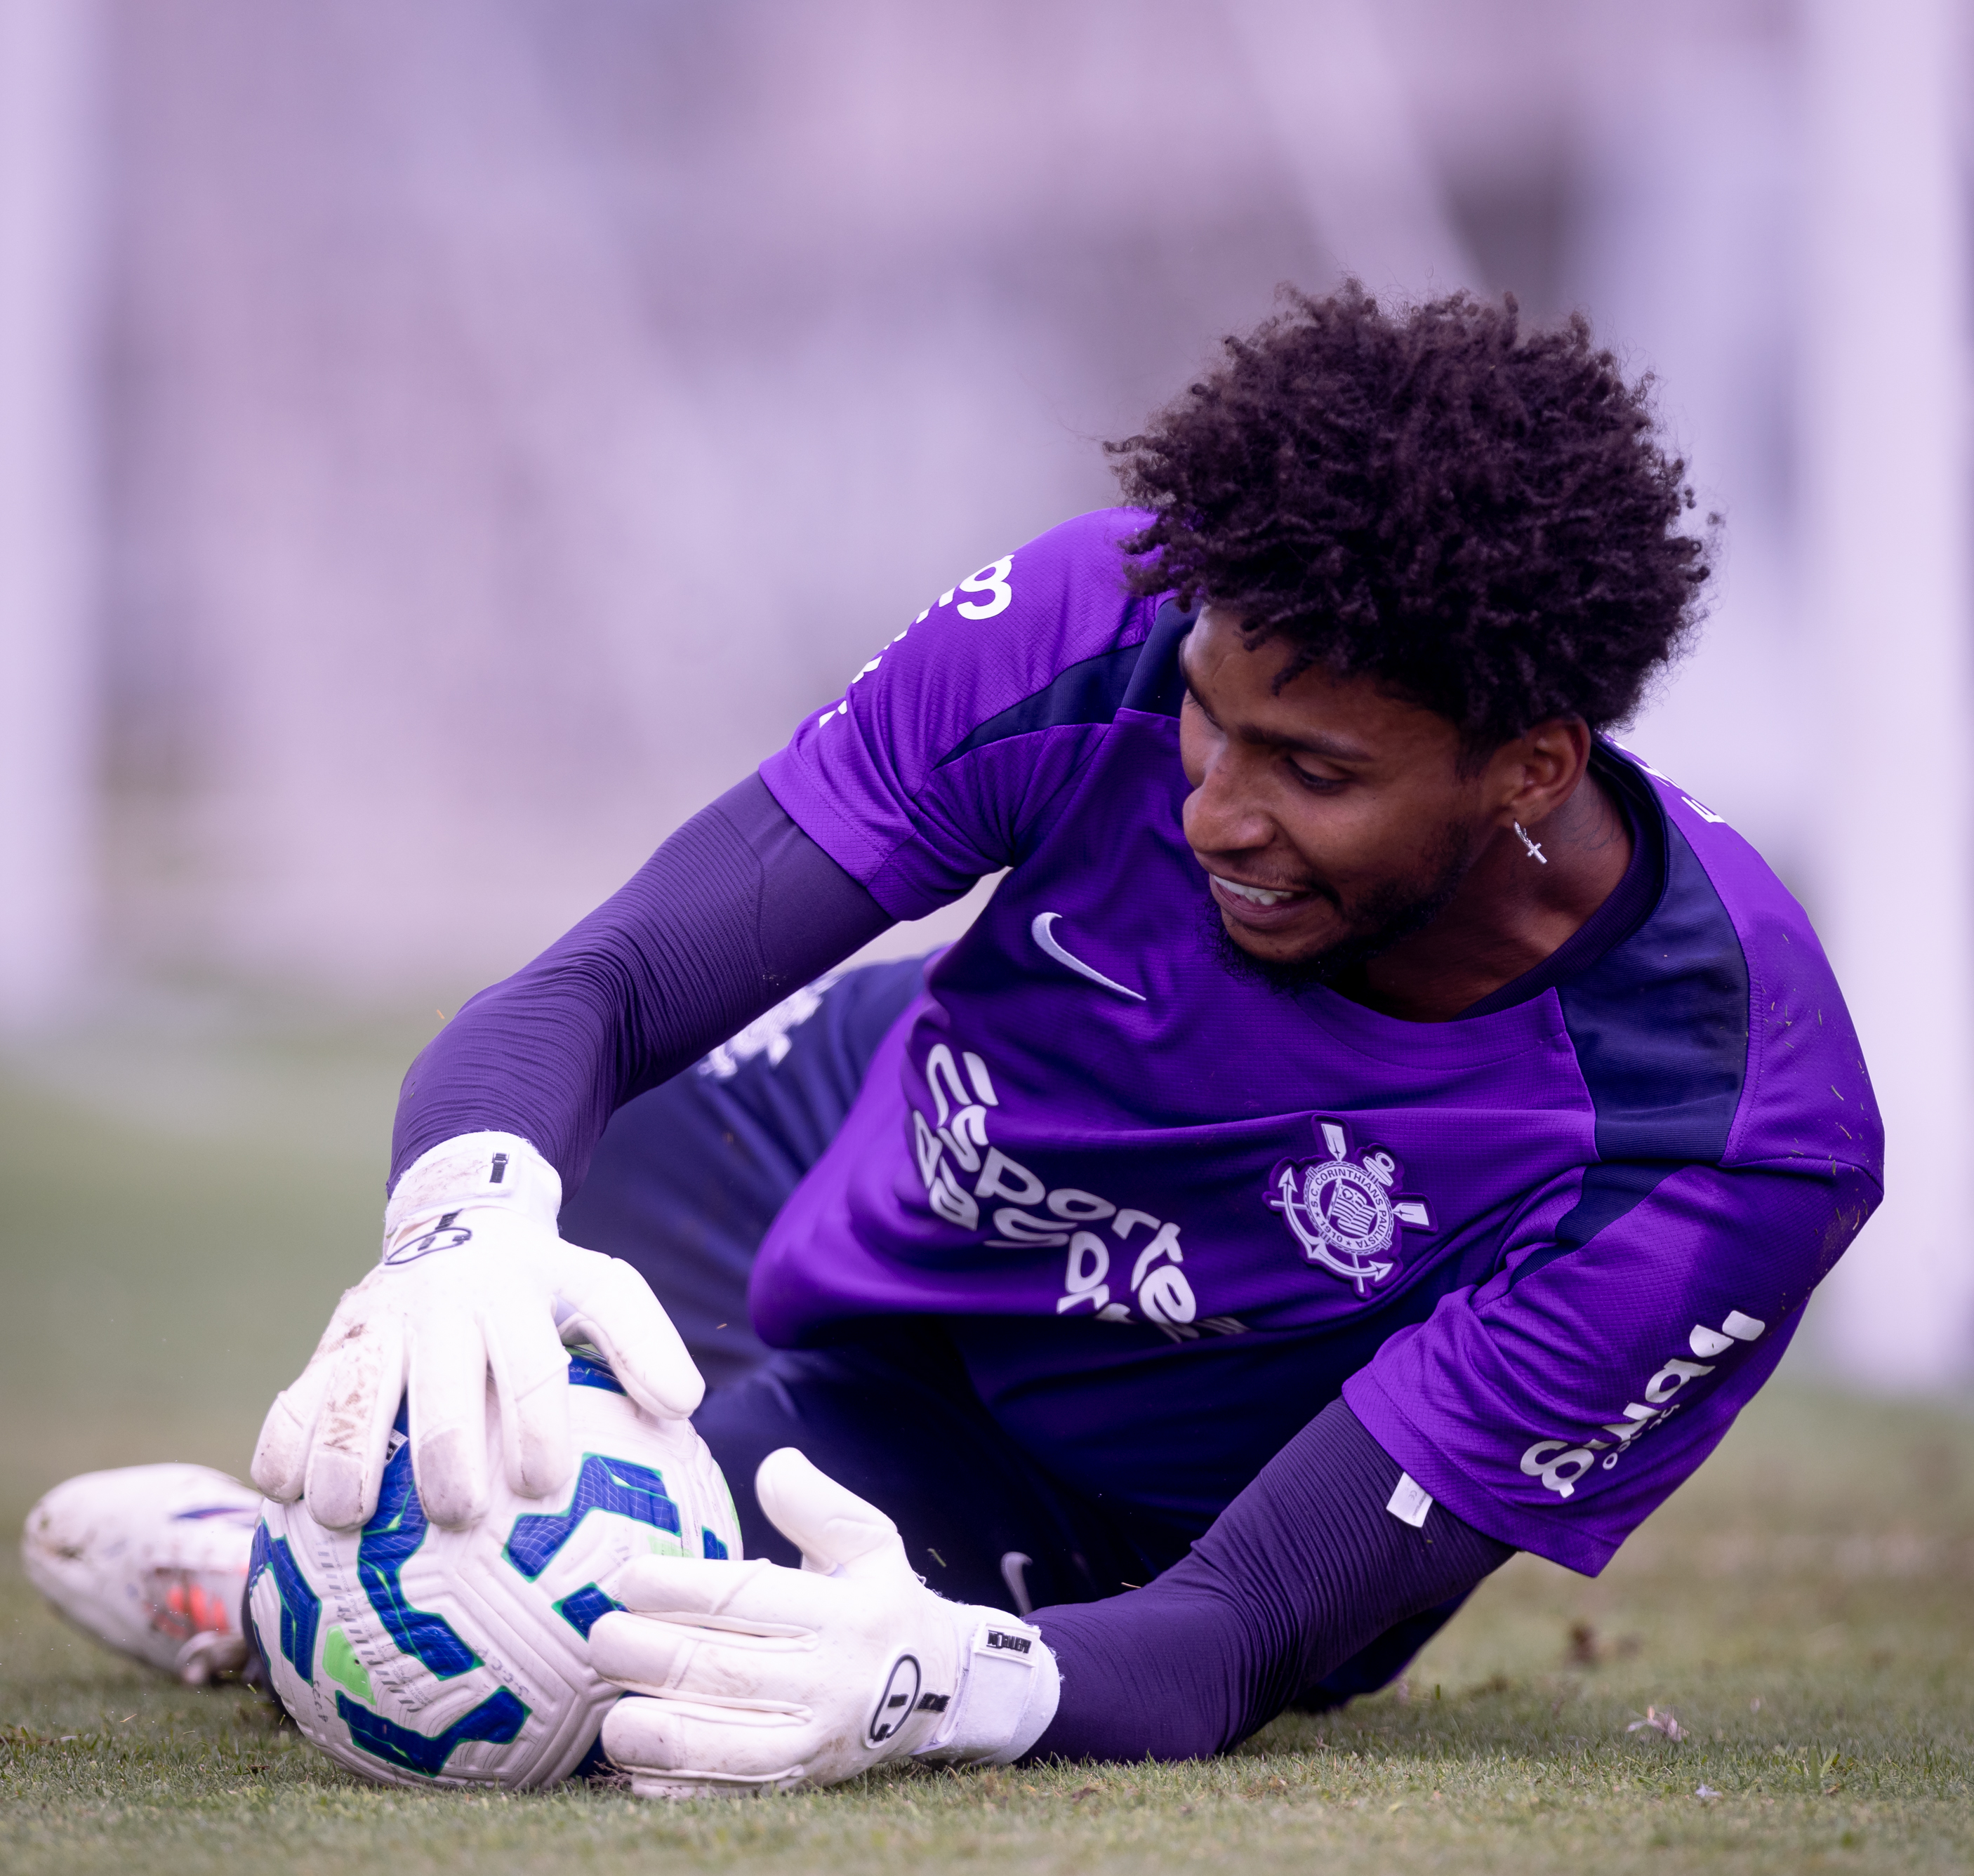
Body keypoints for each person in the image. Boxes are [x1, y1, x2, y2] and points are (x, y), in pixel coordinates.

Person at [27, 286, 1882, 1792]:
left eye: (1310, 772)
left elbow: (1234, 1631)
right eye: (1205, 722)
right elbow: (582, 997)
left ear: (1528, 768)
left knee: (619, 1637)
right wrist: (464, 1220)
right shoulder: (1101, 617)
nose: (1215, 810)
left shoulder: (1716, 1132)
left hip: (1080, 1470)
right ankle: (345, 1550)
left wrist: (956, 1686)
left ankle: (271, 1598)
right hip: (860, 1128)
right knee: (471, 1324)